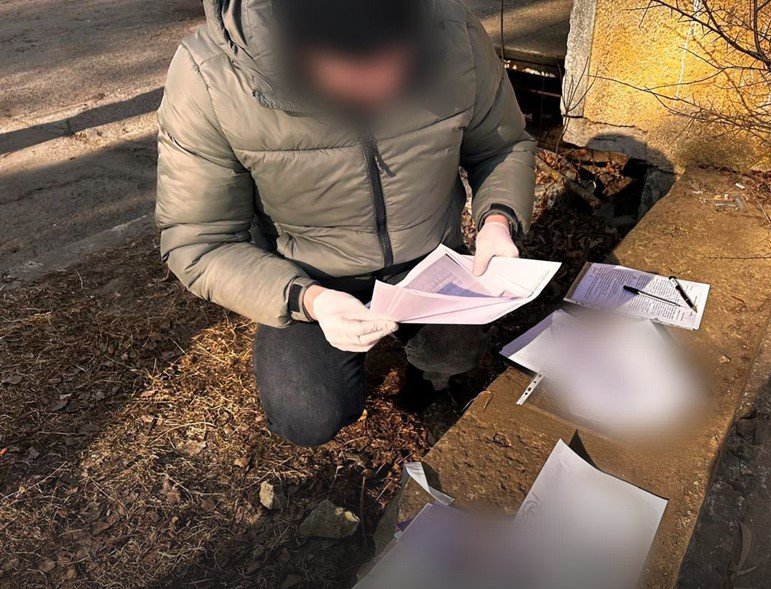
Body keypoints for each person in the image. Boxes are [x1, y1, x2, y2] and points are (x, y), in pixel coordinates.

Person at [155, 0, 534, 446]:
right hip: (310, 277)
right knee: (306, 415)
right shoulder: (210, 76)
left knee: (455, 353)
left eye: (395, 59)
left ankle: (431, 379)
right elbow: (199, 241)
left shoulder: (453, 32)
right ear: (297, 47)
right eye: (356, 71)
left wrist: (498, 219)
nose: (383, 85)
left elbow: (503, 145)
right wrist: (307, 299)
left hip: (429, 260)